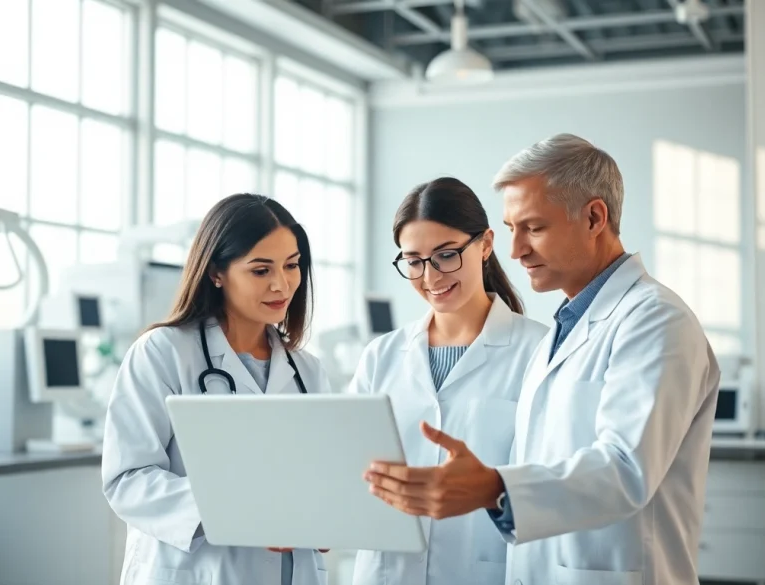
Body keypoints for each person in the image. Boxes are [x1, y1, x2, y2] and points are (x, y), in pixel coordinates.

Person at [364, 134, 720, 585]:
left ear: (594, 217)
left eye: (533, 228)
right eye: (513, 229)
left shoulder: (656, 320)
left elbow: (626, 470)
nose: (516, 252)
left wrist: (494, 487)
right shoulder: (564, 329)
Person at [101, 194, 332, 585]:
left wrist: (332, 514)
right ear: (216, 273)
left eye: (292, 265)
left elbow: (322, 477)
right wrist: (236, 509)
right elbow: (128, 479)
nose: (282, 284)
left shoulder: (306, 371)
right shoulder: (164, 352)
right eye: (261, 270)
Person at [349, 177, 549, 585]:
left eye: (446, 255)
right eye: (414, 260)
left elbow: (549, 483)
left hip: (484, 570)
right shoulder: (381, 357)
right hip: (388, 571)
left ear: (487, 244)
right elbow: (348, 467)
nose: (431, 276)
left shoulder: (538, 351)